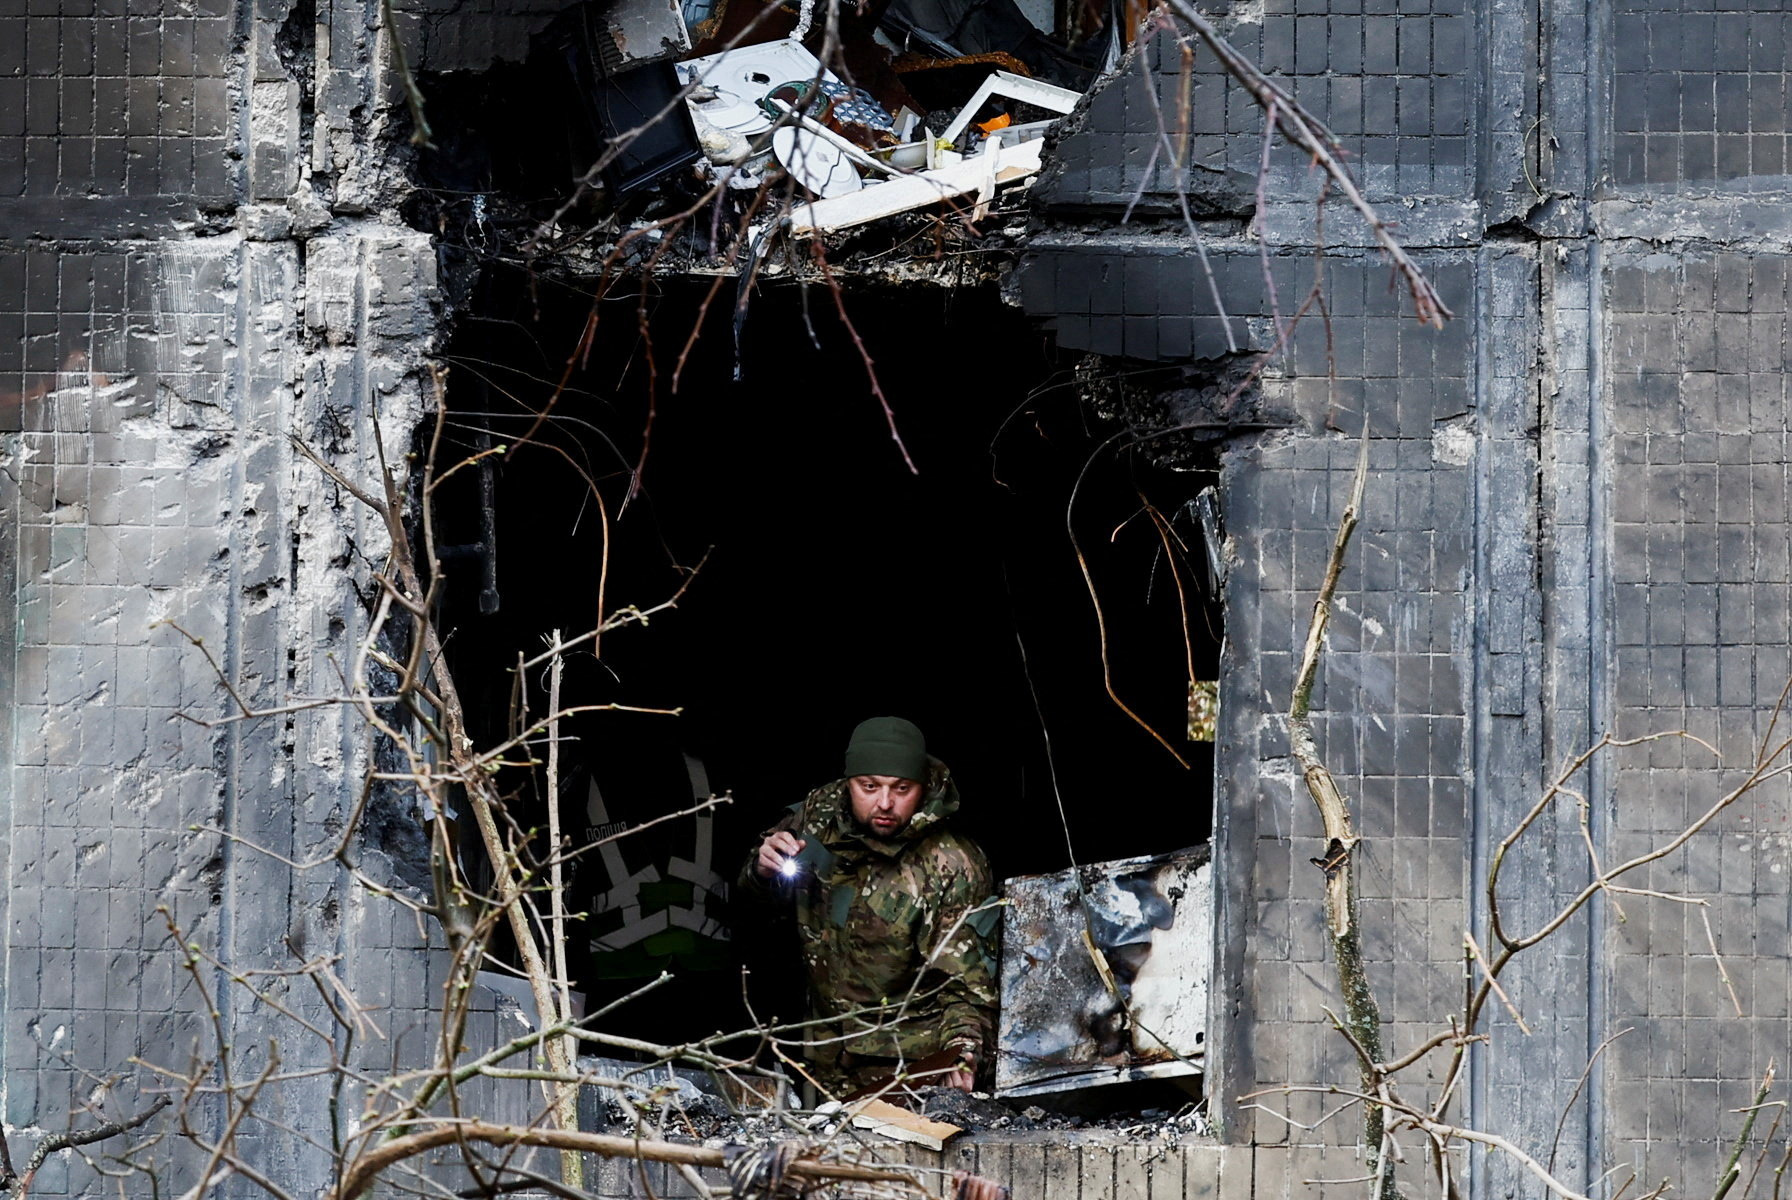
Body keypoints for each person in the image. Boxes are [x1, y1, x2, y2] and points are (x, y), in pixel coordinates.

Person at [741, 717, 999, 1095]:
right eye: (869, 786)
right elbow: (753, 910)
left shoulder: (951, 864)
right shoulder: (813, 822)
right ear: (849, 783)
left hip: (907, 1071)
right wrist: (760, 871)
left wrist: (963, 1053)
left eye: (902, 788)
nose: (884, 803)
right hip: (820, 1058)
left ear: (923, 787)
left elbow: (967, 988)